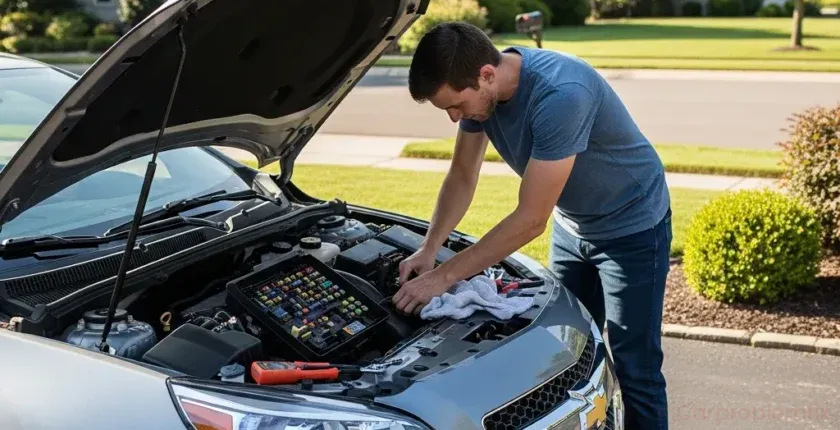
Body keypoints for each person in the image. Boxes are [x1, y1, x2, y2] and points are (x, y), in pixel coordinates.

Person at [390, 21, 671, 430]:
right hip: (573, 227)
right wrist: (430, 249)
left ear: (486, 75)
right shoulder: (481, 92)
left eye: (455, 105)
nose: (454, 118)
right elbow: (463, 174)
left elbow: (530, 219)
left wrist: (444, 278)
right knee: (565, 354)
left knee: (636, 368)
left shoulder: (561, 95)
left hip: (632, 228)